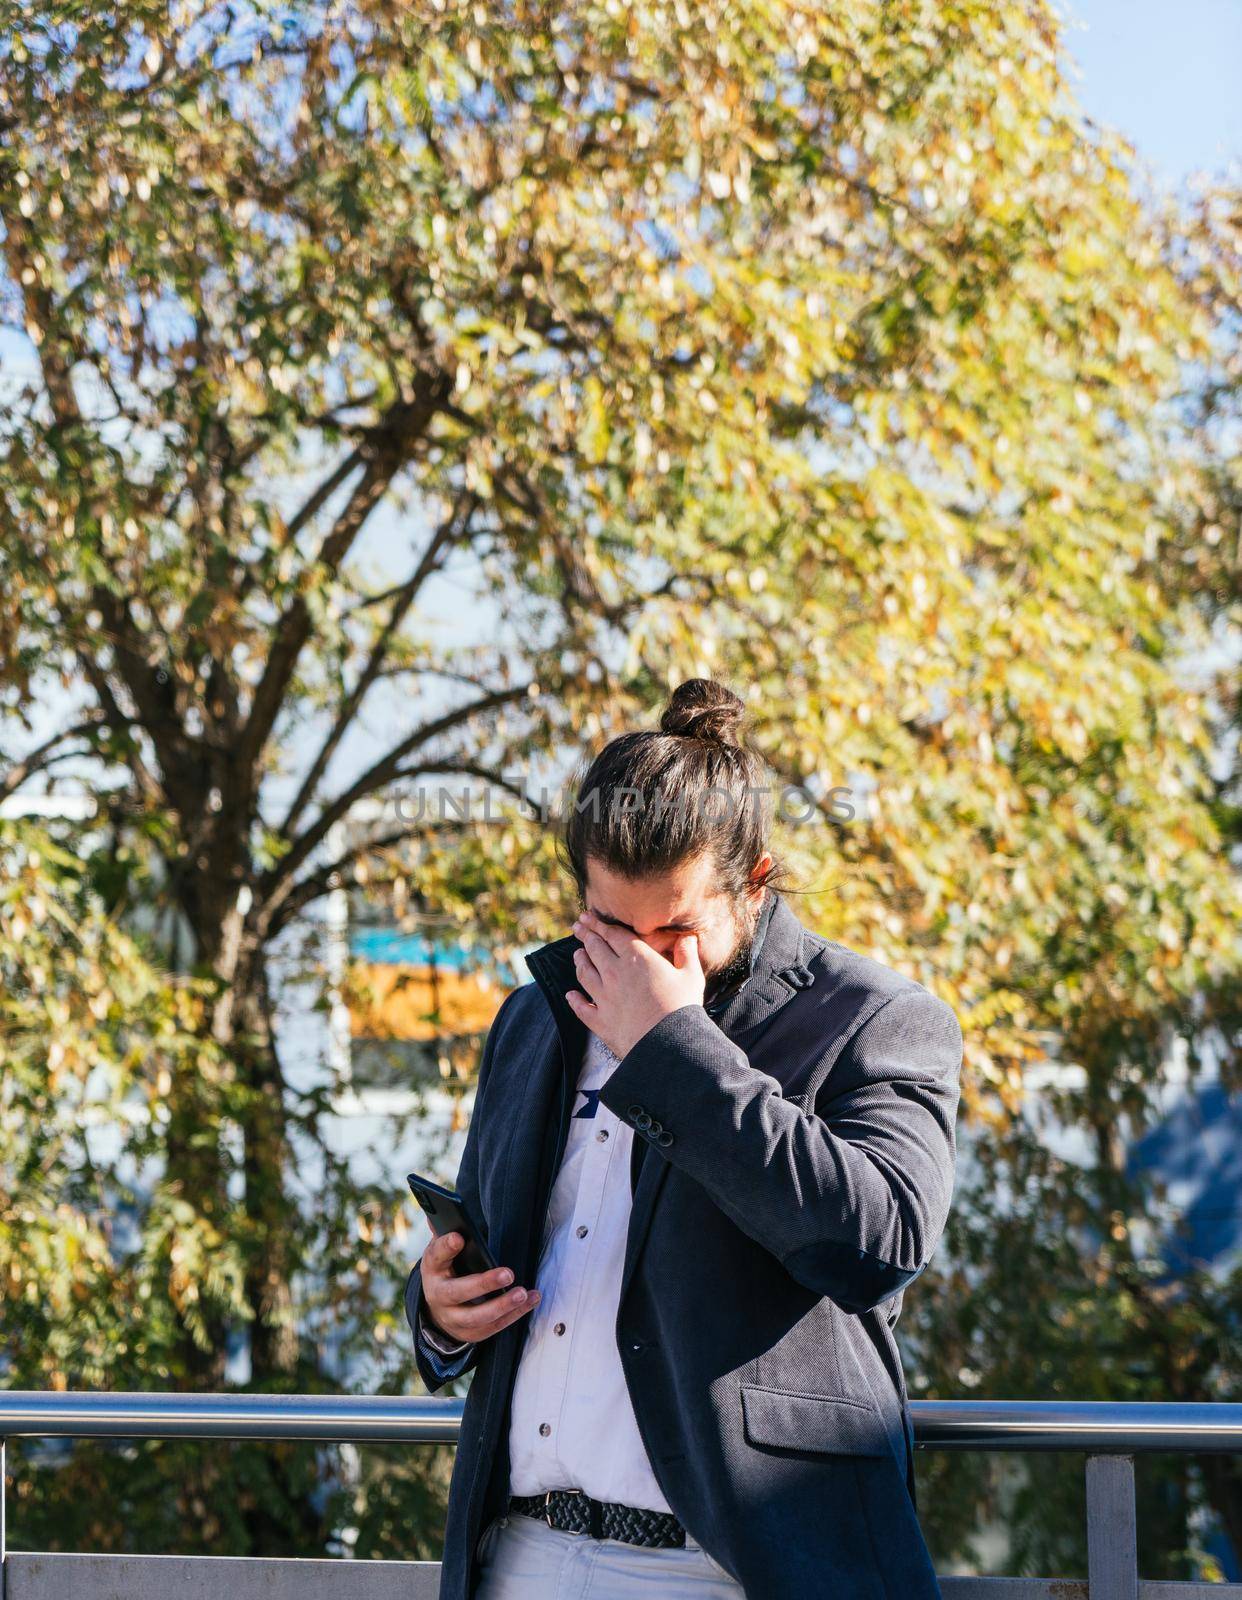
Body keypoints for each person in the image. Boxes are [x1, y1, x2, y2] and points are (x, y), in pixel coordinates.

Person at [404, 678, 963, 1600]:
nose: (636, 960)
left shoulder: (875, 1019)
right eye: (610, 925)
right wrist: (439, 1311)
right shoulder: (531, 1022)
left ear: (754, 882)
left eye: (675, 933)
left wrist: (672, 1045)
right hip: (521, 1555)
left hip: (737, 1568)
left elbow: (880, 1243)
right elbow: (503, 1252)